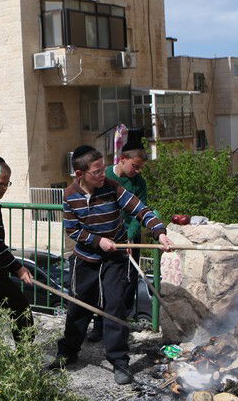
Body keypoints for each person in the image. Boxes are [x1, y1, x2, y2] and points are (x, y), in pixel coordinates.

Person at [48, 145, 173, 385]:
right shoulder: (70, 195)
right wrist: (98, 241)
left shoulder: (112, 187)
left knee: (115, 308)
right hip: (86, 259)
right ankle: (67, 353)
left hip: (115, 259)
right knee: (78, 307)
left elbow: (140, 209)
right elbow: (73, 230)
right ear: (80, 174)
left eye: (102, 169)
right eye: (96, 172)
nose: (102, 175)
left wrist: (159, 232)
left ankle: (119, 362)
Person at [87, 145, 150, 342]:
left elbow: (138, 212)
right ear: (122, 159)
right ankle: (99, 326)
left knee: (128, 283)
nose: (137, 171)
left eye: (140, 168)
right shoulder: (103, 176)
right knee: (102, 284)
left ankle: (121, 327)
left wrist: (130, 238)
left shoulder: (139, 183)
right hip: (106, 237)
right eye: (135, 166)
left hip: (129, 239)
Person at [0, 155, 34, 342]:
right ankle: (24, 357)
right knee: (21, 308)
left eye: (7, 184)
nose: (4, 188)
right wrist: (18, 268)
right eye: (0, 183)